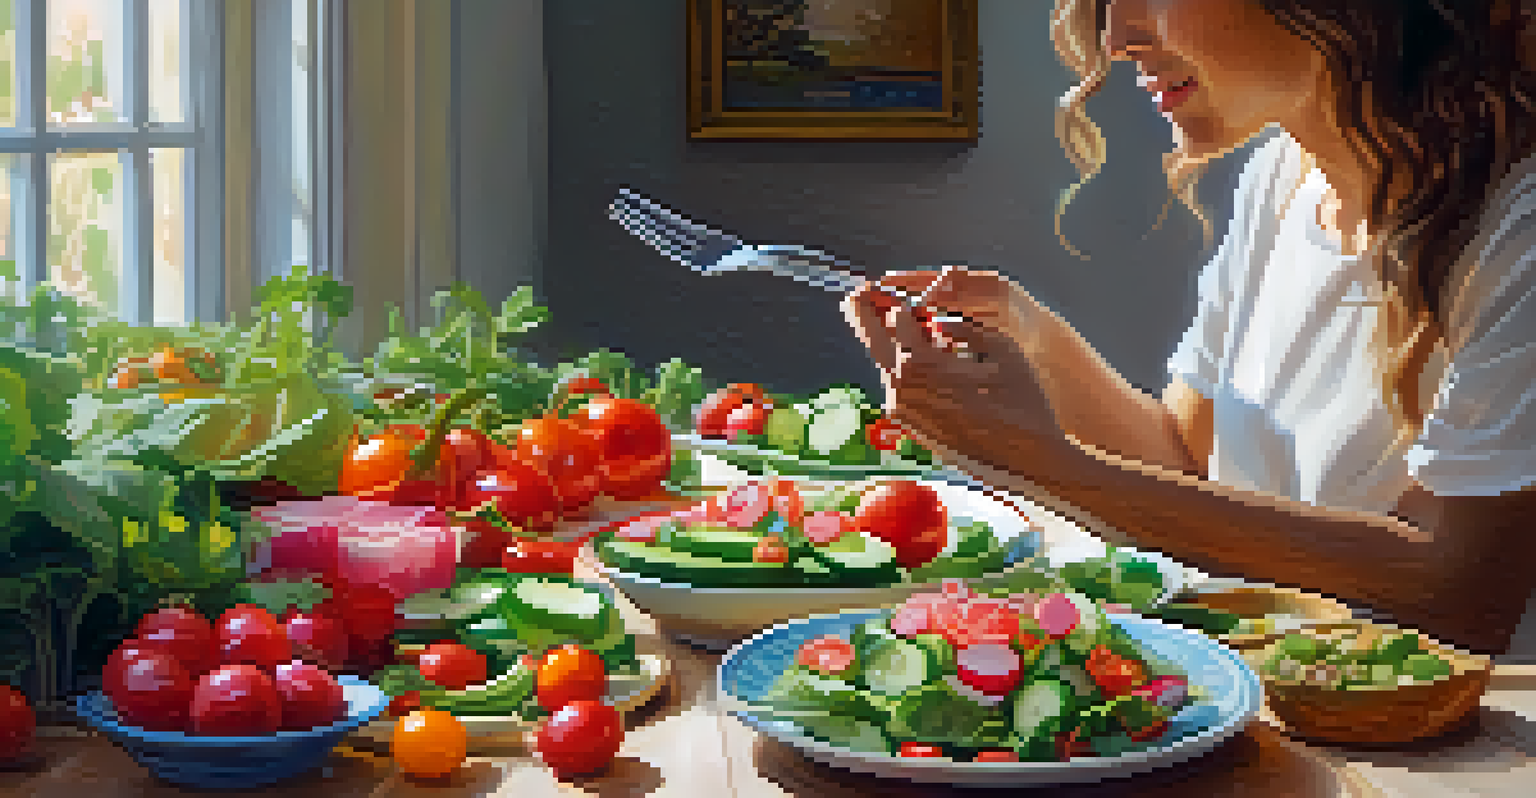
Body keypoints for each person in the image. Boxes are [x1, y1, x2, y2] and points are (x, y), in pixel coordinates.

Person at [843, 0, 1536, 657]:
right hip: (1250, 704)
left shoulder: (1515, 229)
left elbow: (1458, 592)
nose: (1116, 39)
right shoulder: (1284, 177)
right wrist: (1032, 338)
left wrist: (1038, 461)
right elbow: (1182, 462)